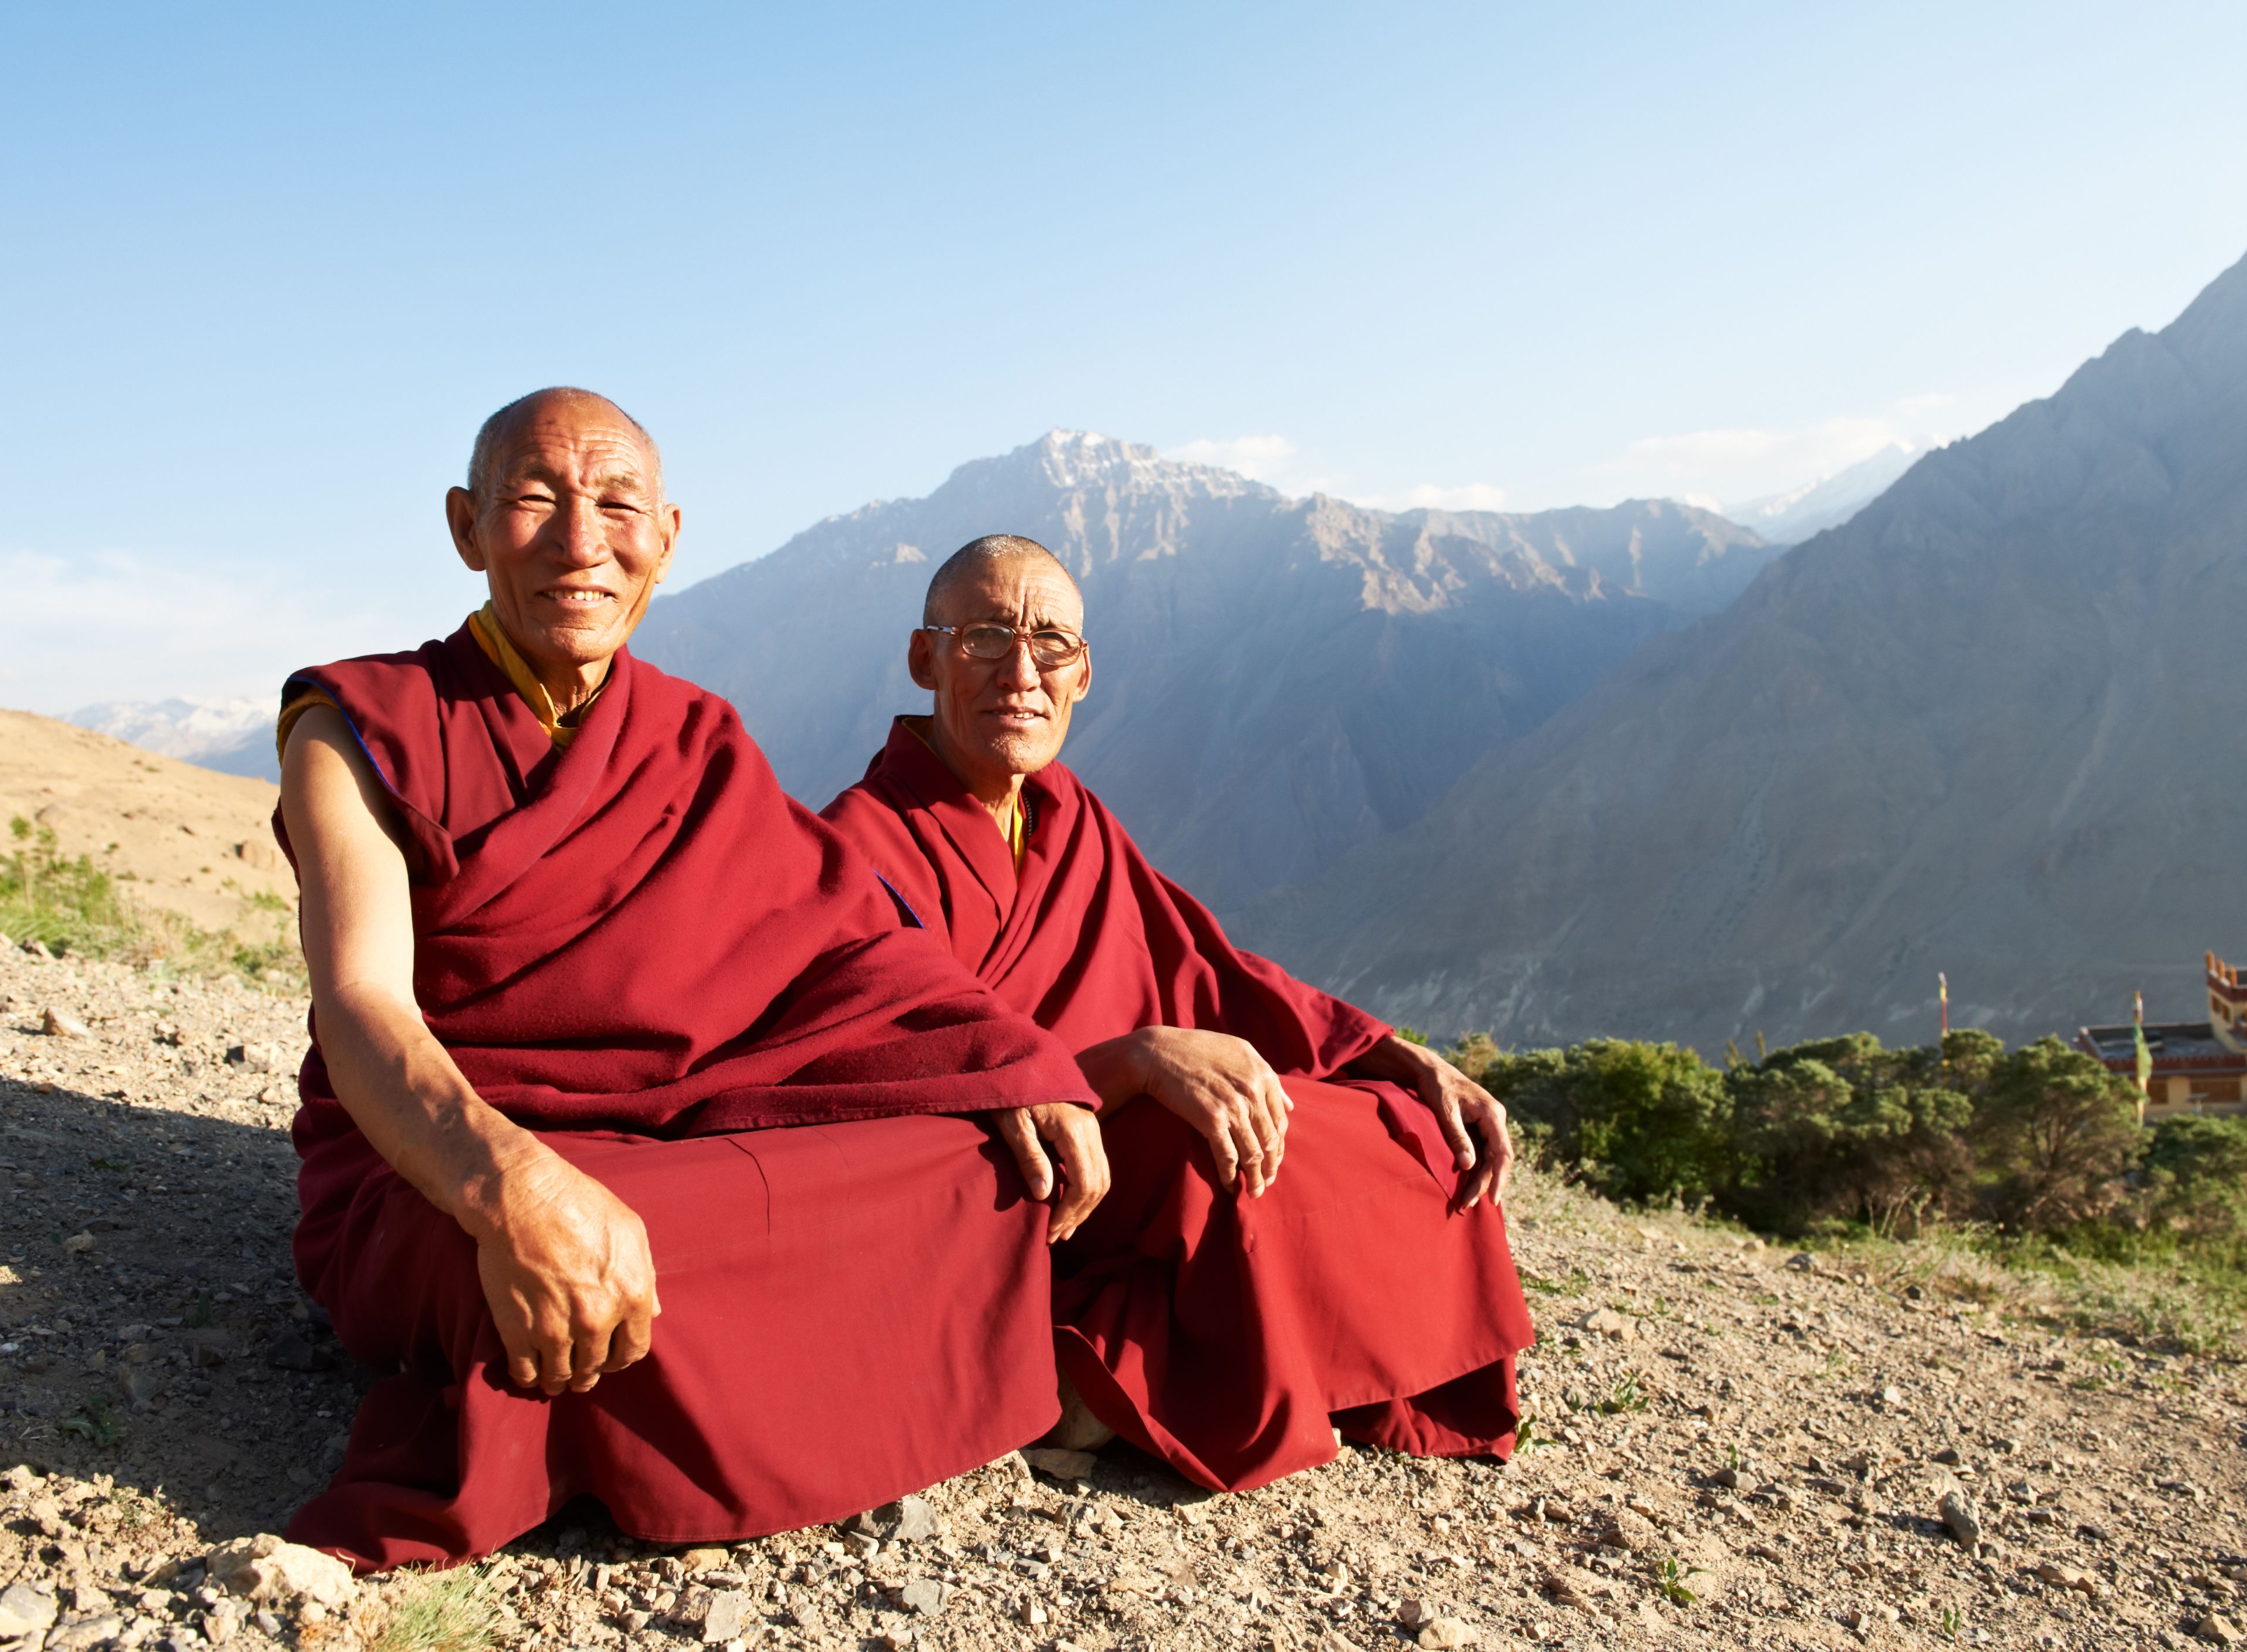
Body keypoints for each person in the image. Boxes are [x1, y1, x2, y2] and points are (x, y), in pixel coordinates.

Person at [272, 394, 1109, 1570]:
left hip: (669, 1142)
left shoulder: (697, 740)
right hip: (439, 1155)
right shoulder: (360, 725)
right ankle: (736, 1393)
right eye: (533, 501)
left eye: (617, 507)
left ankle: (689, 1374)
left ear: (665, 537)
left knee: (964, 1161)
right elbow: (363, 1005)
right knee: (512, 1258)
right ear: (467, 527)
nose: (580, 542)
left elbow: (849, 948)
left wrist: (1006, 1063)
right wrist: (507, 1182)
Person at [822, 534, 1535, 1492]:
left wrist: (1392, 1055)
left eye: (1051, 645)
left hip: (1117, 1148)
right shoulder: (857, 847)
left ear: (1084, 675)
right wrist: (1126, 1062)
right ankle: (1102, 1366)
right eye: (985, 637)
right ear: (925, 658)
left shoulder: (1071, 817)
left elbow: (1210, 966)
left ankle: (1129, 1368)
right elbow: (892, 1065)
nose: (1020, 673)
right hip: (1011, 1185)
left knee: (1405, 1131)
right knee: (1207, 1148)